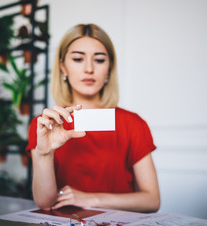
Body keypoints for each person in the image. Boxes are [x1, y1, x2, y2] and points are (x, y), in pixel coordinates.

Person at [26, 23, 160, 213]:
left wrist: (91, 199)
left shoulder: (132, 124)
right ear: (63, 66)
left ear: (109, 67)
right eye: (78, 59)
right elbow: (45, 203)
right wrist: (44, 155)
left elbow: (152, 200)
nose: (89, 69)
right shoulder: (45, 125)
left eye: (99, 60)